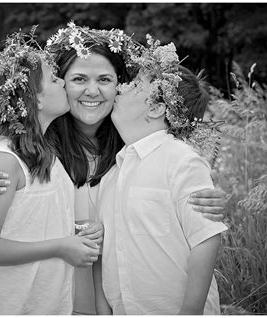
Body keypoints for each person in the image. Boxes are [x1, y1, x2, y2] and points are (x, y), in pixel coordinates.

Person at [0, 23, 228, 314]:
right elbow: (0, 181)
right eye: (77, 78)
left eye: (105, 79)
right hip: (45, 300)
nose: (92, 90)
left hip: (110, 304)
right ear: (59, 83)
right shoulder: (39, 144)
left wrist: (209, 200)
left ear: (119, 85)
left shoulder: (131, 149)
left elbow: (184, 202)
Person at [0, 32, 100, 315]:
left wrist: (76, 232)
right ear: (35, 100)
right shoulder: (4, 161)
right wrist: (61, 246)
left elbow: (34, 216)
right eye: (54, 79)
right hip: (1, 305)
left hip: (37, 302)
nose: (63, 82)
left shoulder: (46, 149)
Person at [93, 38, 228, 315]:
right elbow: (104, 251)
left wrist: (189, 313)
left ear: (156, 108)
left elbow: (206, 240)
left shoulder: (181, 161)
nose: (121, 86)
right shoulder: (112, 174)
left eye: (134, 85)